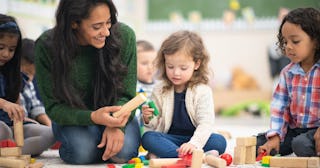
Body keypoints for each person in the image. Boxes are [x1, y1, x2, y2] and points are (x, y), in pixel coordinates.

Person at [34, 0, 140, 164]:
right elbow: (54, 108)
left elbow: (127, 95)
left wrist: (117, 125)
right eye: (97, 26)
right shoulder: (47, 46)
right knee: (83, 153)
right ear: (74, 23)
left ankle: (97, 144)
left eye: (109, 22)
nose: (106, 32)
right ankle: (88, 145)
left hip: (117, 114)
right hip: (73, 118)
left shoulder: (124, 36)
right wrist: (93, 117)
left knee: (123, 154)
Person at [141, 30, 227, 158]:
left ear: (196, 64)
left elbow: (206, 123)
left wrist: (194, 144)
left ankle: (175, 155)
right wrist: (147, 118)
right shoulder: (159, 89)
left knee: (219, 141)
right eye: (170, 66)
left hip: (195, 139)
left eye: (183, 68)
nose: (176, 73)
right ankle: (192, 157)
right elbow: (154, 124)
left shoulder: (202, 91)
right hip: (170, 139)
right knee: (148, 138)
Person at [256, 7, 320, 157]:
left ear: (316, 41)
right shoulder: (287, 73)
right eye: (285, 41)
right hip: (294, 129)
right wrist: (275, 135)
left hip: (316, 130)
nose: (288, 46)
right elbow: (279, 108)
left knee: (301, 144)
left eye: (295, 41)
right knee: (260, 143)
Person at [0, 14, 55, 156]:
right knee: (3, 130)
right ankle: (10, 148)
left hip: (10, 127)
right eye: (1, 47)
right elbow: (7, 105)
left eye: (11, 50)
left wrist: (22, 117)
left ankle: (10, 153)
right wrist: (5, 104)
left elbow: (16, 105)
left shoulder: (12, 73)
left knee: (51, 133)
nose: (6, 54)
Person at [20, 38, 51, 127]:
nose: (29, 79)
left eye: (32, 75)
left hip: (30, 124)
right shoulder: (11, 82)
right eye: (26, 73)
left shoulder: (29, 83)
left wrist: (49, 125)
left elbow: (36, 106)